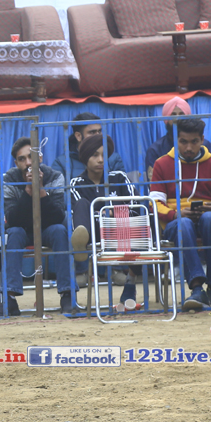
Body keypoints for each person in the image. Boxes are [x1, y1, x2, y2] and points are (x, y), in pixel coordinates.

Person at [150, 117, 211, 311]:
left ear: (202, 140)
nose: (189, 147)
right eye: (183, 142)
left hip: (208, 218)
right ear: (176, 140)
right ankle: (197, 287)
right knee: (184, 224)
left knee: (210, 219)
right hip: (175, 221)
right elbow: (154, 203)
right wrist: (176, 214)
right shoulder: (162, 164)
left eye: (194, 142)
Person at [0, 136, 77, 315]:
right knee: (14, 233)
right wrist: (28, 191)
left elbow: (58, 216)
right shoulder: (10, 179)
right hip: (22, 229)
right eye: (22, 159)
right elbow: (12, 219)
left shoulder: (54, 176)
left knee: (60, 231)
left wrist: (41, 190)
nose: (28, 163)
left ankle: (67, 294)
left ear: (40, 158)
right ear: (16, 163)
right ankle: (10, 298)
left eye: (31, 157)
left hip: (47, 228)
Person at [69, 133, 141, 310]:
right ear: (85, 158)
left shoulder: (119, 177)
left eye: (103, 155)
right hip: (94, 233)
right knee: (82, 204)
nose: (101, 160)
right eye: (95, 155)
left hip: (123, 230)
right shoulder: (77, 183)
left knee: (140, 227)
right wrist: (113, 211)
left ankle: (130, 283)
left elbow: (135, 208)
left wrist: (104, 213)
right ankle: (81, 244)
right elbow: (78, 211)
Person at [144, 96, 211, 183]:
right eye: (173, 115)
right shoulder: (155, 149)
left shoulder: (204, 145)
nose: (177, 119)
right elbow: (153, 184)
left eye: (181, 114)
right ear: (166, 119)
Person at [56, 112, 125, 183]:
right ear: (78, 136)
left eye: (99, 131)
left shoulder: (113, 159)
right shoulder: (61, 163)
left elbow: (121, 186)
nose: (98, 136)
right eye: (92, 132)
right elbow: (59, 189)